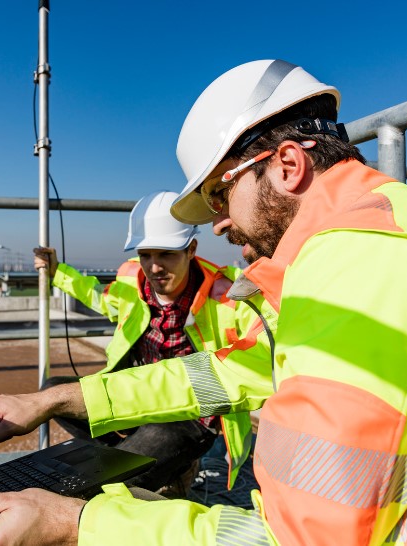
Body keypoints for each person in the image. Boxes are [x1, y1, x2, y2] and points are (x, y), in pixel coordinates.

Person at [0, 59, 407, 545]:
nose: (218, 221)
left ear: (286, 164)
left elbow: (300, 539)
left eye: (219, 193)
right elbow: (218, 374)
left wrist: (75, 524)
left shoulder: (362, 270)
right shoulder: (375, 244)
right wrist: (47, 401)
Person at [32, 190, 263, 496]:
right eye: (146, 254)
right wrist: (58, 272)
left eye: (166, 254)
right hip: (137, 399)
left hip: (190, 415)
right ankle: (149, 458)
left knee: (112, 483)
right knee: (54, 392)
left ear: (191, 249)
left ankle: (151, 465)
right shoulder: (131, 279)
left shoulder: (229, 295)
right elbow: (101, 299)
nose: (154, 267)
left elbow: (262, 347)